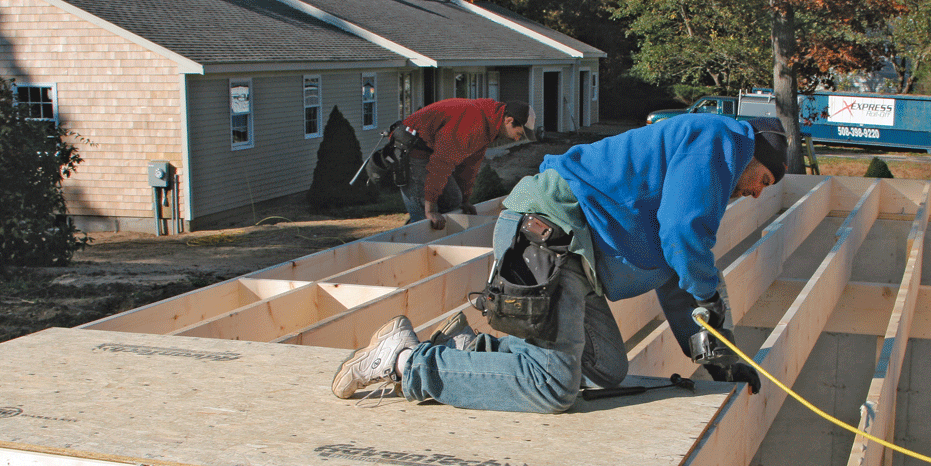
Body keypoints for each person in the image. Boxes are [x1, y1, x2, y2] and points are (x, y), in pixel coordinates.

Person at [332, 114, 788, 413]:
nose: (756, 192)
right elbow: (684, 237)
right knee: (552, 386)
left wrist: (717, 353)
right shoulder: (722, 140)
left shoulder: (700, 167)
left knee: (605, 369)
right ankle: (404, 362)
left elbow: (677, 274)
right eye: (762, 180)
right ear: (749, 155)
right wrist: (710, 296)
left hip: (576, 258)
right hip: (544, 233)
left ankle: (469, 351)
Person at [374, 98, 536, 230]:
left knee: (454, 201)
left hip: (432, 150)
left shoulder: (490, 124)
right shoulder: (474, 122)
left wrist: (465, 200)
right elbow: (441, 163)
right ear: (509, 120)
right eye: (519, 134)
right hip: (414, 150)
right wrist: (430, 208)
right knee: (425, 221)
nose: (516, 139)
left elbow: (469, 166)